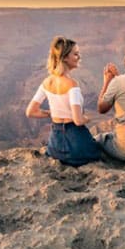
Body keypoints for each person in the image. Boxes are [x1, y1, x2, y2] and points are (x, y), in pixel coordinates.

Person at [24, 36, 102, 166]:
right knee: (101, 146)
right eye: (75, 54)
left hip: (55, 148)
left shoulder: (46, 82)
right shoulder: (72, 85)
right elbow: (78, 120)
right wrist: (87, 119)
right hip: (77, 147)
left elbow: (30, 112)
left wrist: (51, 113)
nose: (79, 57)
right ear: (65, 57)